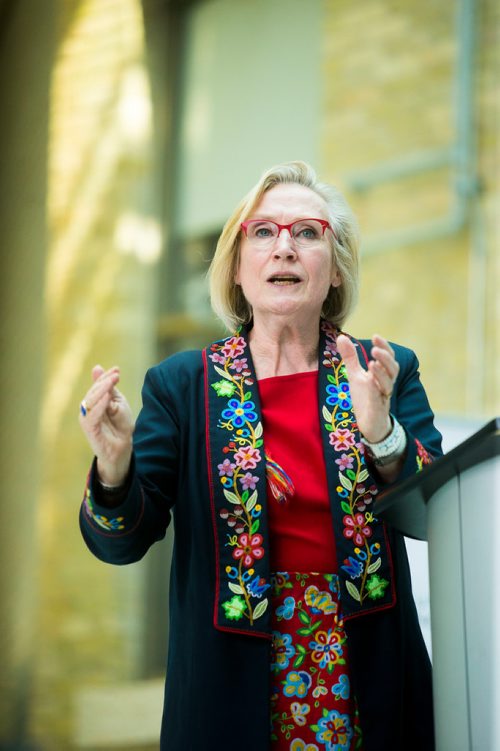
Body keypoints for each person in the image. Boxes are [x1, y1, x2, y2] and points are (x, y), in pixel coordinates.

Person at [79, 161, 442, 751]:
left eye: (307, 232)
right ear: (237, 267)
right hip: (227, 679)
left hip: (368, 671)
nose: (285, 249)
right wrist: (114, 468)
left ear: (336, 269)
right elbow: (121, 541)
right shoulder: (182, 385)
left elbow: (436, 515)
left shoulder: (382, 369)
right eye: (264, 232)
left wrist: (383, 435)